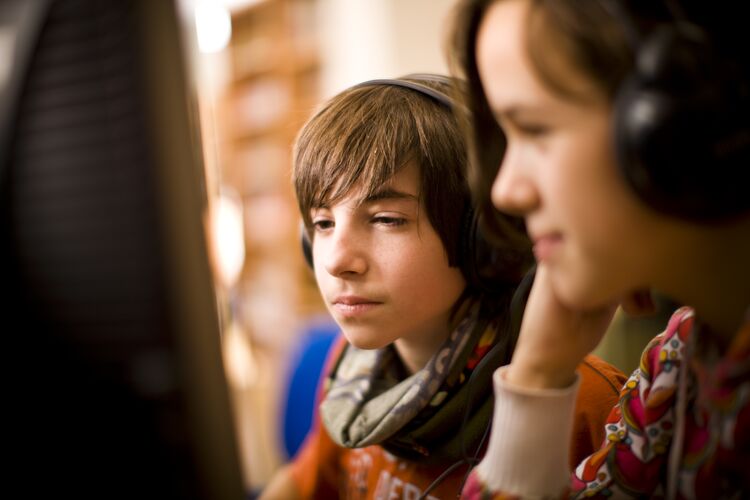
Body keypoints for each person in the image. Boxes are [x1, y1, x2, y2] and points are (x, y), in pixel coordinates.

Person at [258, 74, 627, 499]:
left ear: (483, 239)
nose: (338, 261)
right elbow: (304, 482)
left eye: (386, 220)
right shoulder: (354, 371)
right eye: (323, 224)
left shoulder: (584, 402)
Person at [449, 0, 750, 497]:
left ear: (683, 122)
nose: (506, 190)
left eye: (535, 129)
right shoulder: (675, 369)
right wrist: (538, 373)